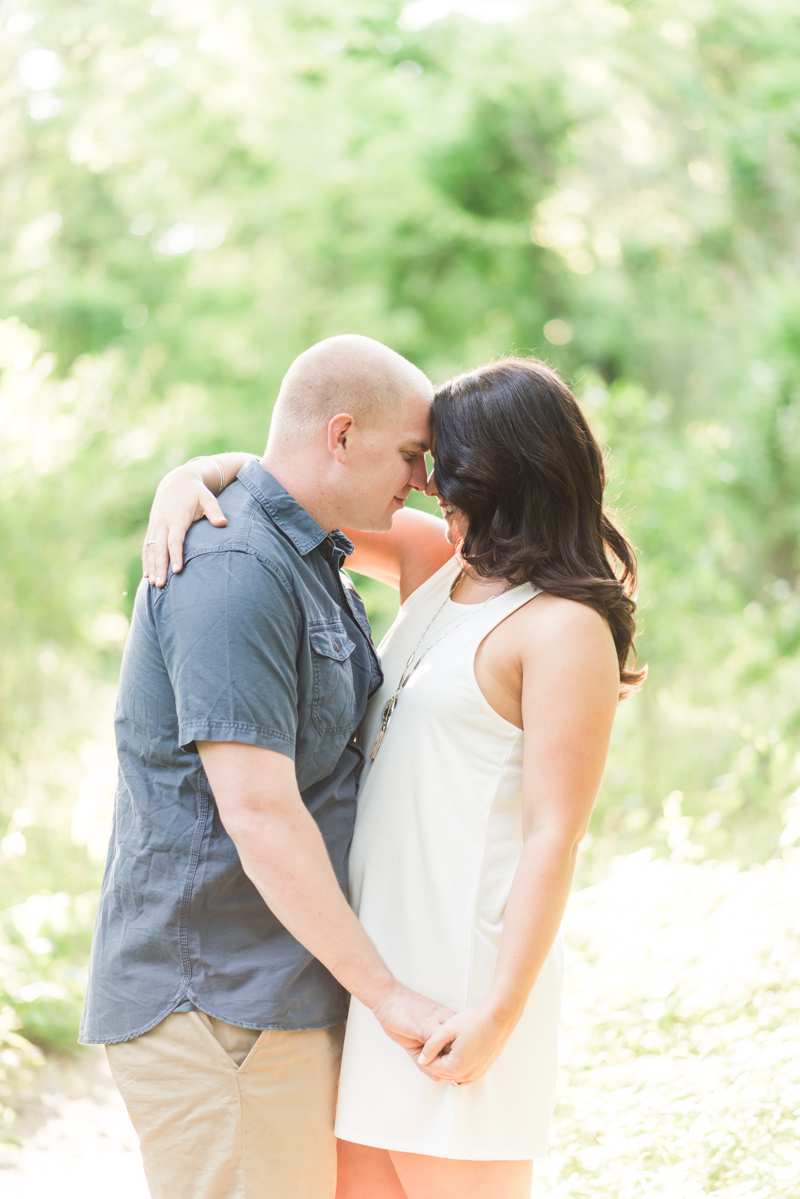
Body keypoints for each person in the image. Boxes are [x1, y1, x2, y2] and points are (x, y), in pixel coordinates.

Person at [147, 356, 645, 1199]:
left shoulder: (563, 629)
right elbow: (291, 496)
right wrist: (192, 475)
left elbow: (553, 836)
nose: (422, 485)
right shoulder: (440, 566)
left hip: (464, 986)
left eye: (442, 464)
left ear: (506, 472)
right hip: (376, 980)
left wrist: (498, 1014)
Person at [80, 334, 455, 1199]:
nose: (422, 479)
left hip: (279, 991)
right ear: (340, 434)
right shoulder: (234, 565)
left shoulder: (308, 548)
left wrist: (212, 464)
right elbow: (259, 811)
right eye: (410, 454)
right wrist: (390, 995)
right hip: (222, 1004)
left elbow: (454, 554)